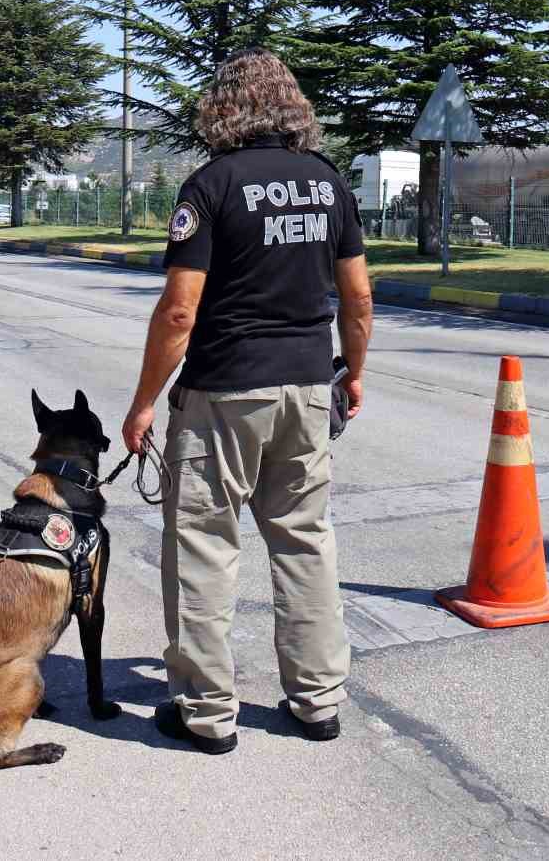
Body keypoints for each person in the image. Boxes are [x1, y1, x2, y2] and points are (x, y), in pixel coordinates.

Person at [121, 48, 375, 755]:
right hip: (306, 385)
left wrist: (144, 403)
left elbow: (179, 312)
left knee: (204, 544)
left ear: (223, 108)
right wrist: (353, 372)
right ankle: (318, 700)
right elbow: (356, 295)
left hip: (224, 391)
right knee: (304, 539)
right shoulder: (328, 184)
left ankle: (206, 712)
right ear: (292, 106)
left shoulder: (212, 184)